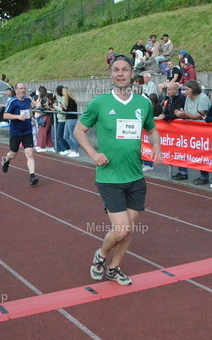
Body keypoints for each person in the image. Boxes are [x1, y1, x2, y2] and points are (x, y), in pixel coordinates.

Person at [74, 55, 162, 286]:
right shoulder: (99, 103)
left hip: (136, 176)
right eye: (116, 70)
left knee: (128, 230)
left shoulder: (143, 103)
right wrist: (93, 154)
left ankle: (113, 268)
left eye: (125, 69)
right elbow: (79, 131)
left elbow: (152, 129)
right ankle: (101, 255)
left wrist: (157, 145)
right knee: (121, 229)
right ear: (111, 74)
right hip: (109, 176)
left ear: (132, 74)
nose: (120, 73)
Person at [174, 81, 212, 184]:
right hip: (189, 129)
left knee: (202, 153)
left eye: (187, 89)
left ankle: (204, 176)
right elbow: (187, 111)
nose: (185, 91)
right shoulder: (187, 98)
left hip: (202, 130)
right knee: (183, 149)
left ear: (193, 89)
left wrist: (185, 114)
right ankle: (183, 172)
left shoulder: (203, 98)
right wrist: (181, 113)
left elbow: (200, 115)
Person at [2, 82, 39, 186]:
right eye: (21, 88)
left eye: (24, 88)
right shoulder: (13, 102)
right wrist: (17, 117)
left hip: (27, 131)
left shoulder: (27, 100)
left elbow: (31, 108)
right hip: (16, 132)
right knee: (13, 154)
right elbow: (5, 115)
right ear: (16, 91)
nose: (23, 90)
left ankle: (32, 176)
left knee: (30, 153)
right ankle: (6, 160)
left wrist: (31, 117)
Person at [142, 93, 163, 172]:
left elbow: (152, 130)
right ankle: (147, 163)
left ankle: (149, 164)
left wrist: (156, 145)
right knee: (145, 147)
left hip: (153, 130)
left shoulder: (152, 107)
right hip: (146, 132)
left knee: (148, 146)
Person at [62, 87, 80, 158]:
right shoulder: (68, 100)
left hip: (72, 119)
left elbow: (71, 110)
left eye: (63, 92)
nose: (62, 93)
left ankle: (76, 151)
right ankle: (73, 149)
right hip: (68, 119)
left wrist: (64, 108)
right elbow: (67, 110)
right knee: (65, 136)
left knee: (72, 136)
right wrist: (64, 108)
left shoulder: (71, 100)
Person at [53, 86, 71, 155]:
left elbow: (62, 109)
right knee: (59, 136)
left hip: (62, 119)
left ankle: (67, 148)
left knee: (60, 136)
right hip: (59, 118)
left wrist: (55, 107)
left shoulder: (63, 98)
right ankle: (63, 149)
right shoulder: (60, 98)